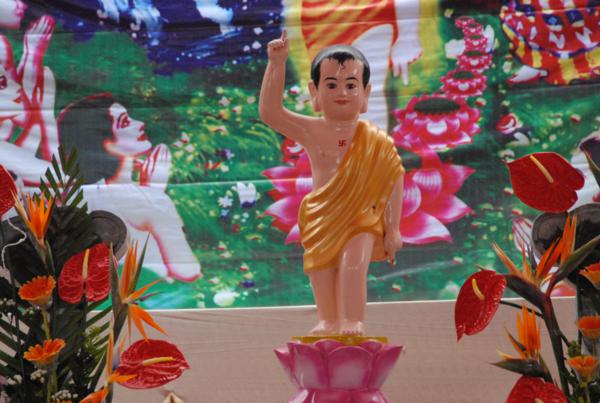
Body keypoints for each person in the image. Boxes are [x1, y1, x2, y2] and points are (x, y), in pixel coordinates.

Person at [259, 31, 405, 336]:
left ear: (365, 93)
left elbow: (394, 179)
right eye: (331, 85)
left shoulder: (377, 141)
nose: (342, 92)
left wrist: (393, 228)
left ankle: (352, 319)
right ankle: (328, 320)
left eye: (351, 85)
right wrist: (277, 63)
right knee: (321, 268)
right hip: (321, 216)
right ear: (314, 92)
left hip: (361, 218)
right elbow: (271, 113)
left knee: (353, 266)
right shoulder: (312, 130)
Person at [57, 94, 201, 282]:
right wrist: (156, 197)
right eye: (125, 123)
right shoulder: (147, 199)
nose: (139, 123)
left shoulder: (82, 195)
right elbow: (187, 271)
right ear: (102, 141)